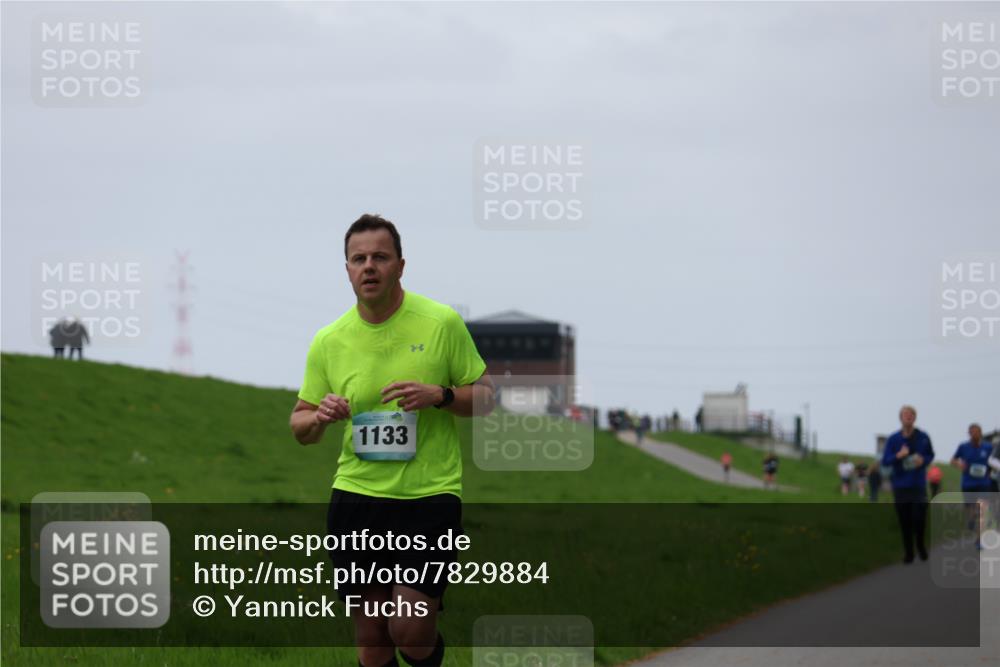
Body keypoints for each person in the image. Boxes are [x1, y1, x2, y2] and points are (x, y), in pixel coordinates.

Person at [289, 214, 496, 667]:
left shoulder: (440, 323)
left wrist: (440, 396)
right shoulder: (329, 340)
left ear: (400, 266)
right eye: (358, 259)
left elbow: (486, 398)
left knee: (408, 628)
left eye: (379, 257)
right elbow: (299, 424)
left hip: (429, 495)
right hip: (357, 495)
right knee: (371, 636)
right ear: (346, 268)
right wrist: (320, 417)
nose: (369, 267)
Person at [881, 405, 935, 563]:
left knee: (919, 518)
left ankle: (920, 544)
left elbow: (930, 454)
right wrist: (899, 455)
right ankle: (909, 552)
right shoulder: (893, 439)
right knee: (904, 521)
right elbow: (885, 460)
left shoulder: (923, 436)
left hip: (918, 484)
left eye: (911, 415)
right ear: (900, 418)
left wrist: (923, 460)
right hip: (900, 485)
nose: (908, 417)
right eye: (905, 415)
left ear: (915, 418)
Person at [950, 423, 994, 550]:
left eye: (977, 432)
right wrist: (959, 464)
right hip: (968, 484)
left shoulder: (988, 447)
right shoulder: (963, 447)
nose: (975, 434)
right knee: (971, 511)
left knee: (982, 511)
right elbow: (952, 460)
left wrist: (991, 471)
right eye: (972, 432)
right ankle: (970, 520)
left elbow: (993, 461)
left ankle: (978, 540)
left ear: (981, 433)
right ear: (969, 434)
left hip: (984, 484)